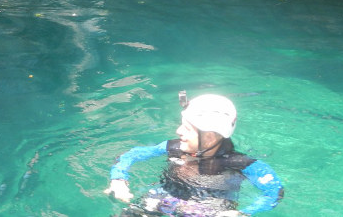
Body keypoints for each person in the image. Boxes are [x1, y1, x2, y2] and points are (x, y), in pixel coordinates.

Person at [104, 93, 284, 216]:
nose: (178, 131)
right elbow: (129, 155)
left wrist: (244, 213)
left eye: (187, 128)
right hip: (162, 197)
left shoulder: (241, 163)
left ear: (210, 135)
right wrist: (118, 180)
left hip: (211, 210)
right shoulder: (173, 148)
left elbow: (275, 192)